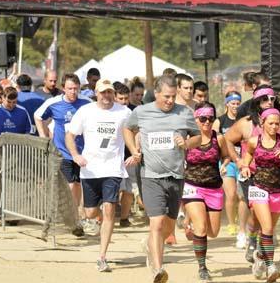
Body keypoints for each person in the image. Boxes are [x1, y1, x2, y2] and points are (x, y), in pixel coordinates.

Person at [123, 75, 199, 283]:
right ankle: (158, 269)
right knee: (156, 224)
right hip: (150, 175)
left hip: (175, 175)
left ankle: (150, 245)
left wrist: (186, 142)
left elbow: (198, 137)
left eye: (173, 96)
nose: (170, 101)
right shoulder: (141, 112)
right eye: (166, 96)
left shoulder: (185, 113)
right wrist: (133, 149)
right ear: (156, 93)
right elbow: (127, 129)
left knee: (168, 227)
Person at [65, 79, 132, 272]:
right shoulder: (86, 111)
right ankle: (96, 219)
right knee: (90, 213)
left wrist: (136, 151)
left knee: (110, 209)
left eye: (109, 92)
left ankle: (102, 256)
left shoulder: (124, 112)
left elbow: (134, 132)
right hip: (90, 169)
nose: (106, 96)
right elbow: (70, 135)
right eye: (103, 92)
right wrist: (76, 156)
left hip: (113, 169)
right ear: (96, 93)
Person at [224, 85, 280, 264]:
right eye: (264, 99)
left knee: (266, 218)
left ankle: (257, 240)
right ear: (256, 102)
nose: (269, 102)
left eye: (271, 99)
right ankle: (255, 243)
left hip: (275, 176)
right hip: (252, 176)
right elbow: (228, 140)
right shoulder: (245, 124)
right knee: (257, 213)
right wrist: (239, 161)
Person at [240, 107, 280, 283]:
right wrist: (245, 167)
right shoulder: (254, 141)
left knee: (268, 231)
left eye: (277, 123)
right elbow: (247, 157)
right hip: (259, 188)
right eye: (271, 123)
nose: (274, 126)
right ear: (262, 123)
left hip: (278, 190)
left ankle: (260, 257)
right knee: (266, 228)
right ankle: (271, 266)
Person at [34, 73, 91, 236]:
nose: (73, 92)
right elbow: (38, 116)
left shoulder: (86, 103)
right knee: (70, 184)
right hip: (63, 152)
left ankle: (74, 216)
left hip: (82, 152)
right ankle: (72, 218)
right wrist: (43, 137)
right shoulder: (53, 103)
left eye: (75, 88)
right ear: (63, 88)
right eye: (69, 89)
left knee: (79, 185)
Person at [182, 101, 230, 281]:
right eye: (203, 118)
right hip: (192, 186)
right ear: (195, 119)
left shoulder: (219, 138)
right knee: (201, 228)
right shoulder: (188, 139)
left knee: (213, 232)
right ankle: (202, 267)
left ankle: (190, 225)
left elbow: (226, 156)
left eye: (210, 118)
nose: (207, 122)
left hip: (214, 188)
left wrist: (224, 165)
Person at [217, 91, 245, 240]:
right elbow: (215, 141)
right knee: (231, 194)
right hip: (226, 162)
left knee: (242, 196)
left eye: (237, 103)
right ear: (227, 103)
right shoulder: (220, 121)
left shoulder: (243, 120)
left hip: (241, 161)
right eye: (232, 103)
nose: (235, 106)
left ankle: (242, 223)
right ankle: (231, 223)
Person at [114, 82, 136, 227]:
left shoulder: (134, 112)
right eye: (120, 98)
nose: (124, 102)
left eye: (126, 98)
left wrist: (135, 153)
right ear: (114, 97)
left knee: (129, 190)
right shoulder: (109, 111)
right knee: (113, 189)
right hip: (113, 156)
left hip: (130, 156)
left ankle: (124, 218)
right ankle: (103, 218)